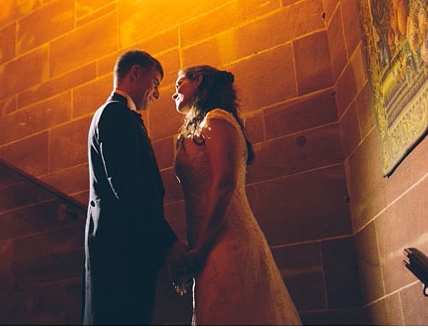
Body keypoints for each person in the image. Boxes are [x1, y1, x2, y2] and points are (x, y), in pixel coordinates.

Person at [170, 65, 301, 325]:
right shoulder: (198, 128)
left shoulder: (217, 120)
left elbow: (224, 185)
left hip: (225, 240)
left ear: (198, 81)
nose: (173, 93)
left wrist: (200, 250)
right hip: (205, 244)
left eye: (179, 84)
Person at [82, 50, 188, 325]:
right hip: (121, 252)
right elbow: (128, 188)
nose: (156, 94)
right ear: (135, 73)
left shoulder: (119, 115)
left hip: (125, 247)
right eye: (155, 83)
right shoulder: (115, 115)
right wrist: (168, 241)